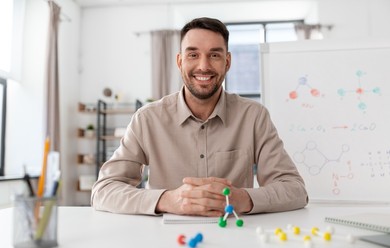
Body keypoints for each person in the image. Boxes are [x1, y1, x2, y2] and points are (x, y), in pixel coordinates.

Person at [91, 17, 308, 217]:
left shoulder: (254, 116)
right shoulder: (147, 119)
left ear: (228, 62)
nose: (203, 66)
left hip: (238, 238)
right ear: (179, 61)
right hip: (164, 242)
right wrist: (168, 200)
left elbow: (295, 190)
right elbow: (103, 191)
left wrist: (243, 199)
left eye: (214, 55)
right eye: (193, 55)